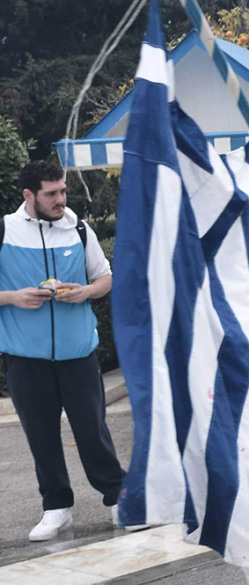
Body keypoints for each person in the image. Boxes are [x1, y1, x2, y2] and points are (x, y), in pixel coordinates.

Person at [0, 161, 125, 541]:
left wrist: (85, 292)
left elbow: (105, 278)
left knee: (93, 430)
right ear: (28, 195)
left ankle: (119, 497)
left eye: (63, 191)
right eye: (51, 193)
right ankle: (56, 508)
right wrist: (13, 297)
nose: (60, 199)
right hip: (25, 357)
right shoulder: (5, 231)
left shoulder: (79, 229)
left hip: (78, 354)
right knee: (41, 436)